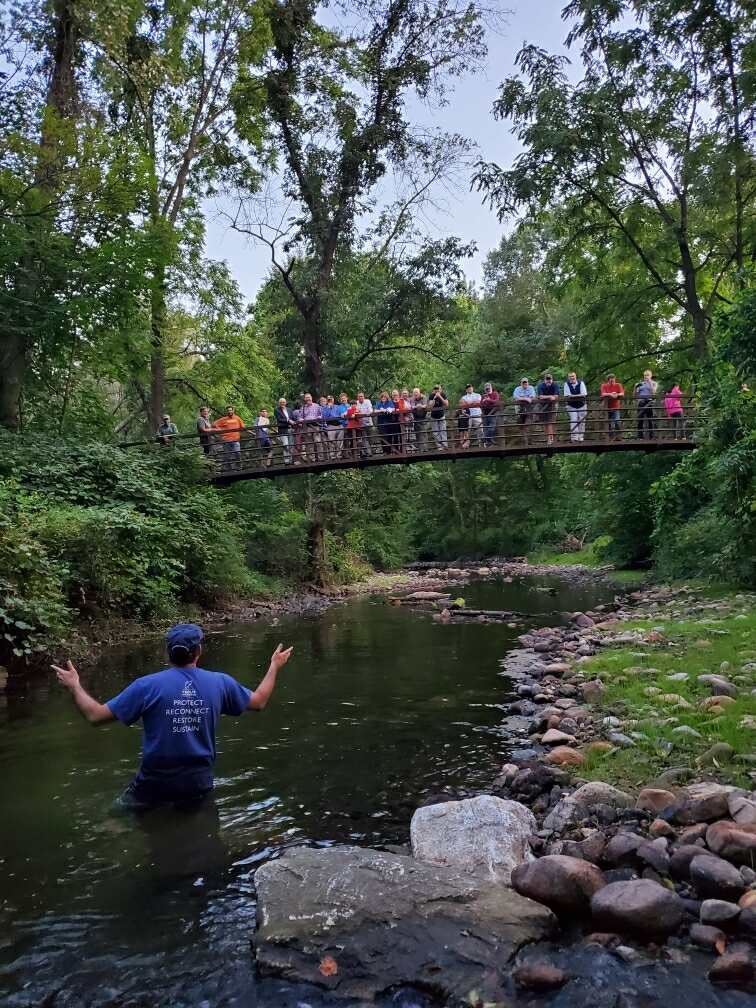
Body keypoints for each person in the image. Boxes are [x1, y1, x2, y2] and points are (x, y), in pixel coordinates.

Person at [52, 624, 293, 811]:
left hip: (154, 784)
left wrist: (75, 686)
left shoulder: (146, 686)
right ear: (198, 651)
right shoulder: (220, 683)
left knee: (117, 816)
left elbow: (95, 716)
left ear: (168, 652)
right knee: (195, 835)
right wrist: (274, 666)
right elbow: (259, 701)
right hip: (198, 783)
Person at [535, 373, 560, 445]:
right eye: (547, 379)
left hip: (552, 405)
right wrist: (550, 397)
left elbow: (556, 396)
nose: (548, 381)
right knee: (545, 423)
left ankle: (551, 439)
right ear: (544, 380)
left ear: (552, 379)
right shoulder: (540, 385)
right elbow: (540, 396)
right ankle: (548, 438)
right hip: (542, 406)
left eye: (550, 379)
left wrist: (551, 397)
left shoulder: (555, 385)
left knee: (550, 422)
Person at [564, 371, 588, 442]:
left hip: (582, 405)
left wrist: (573, 396)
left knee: (582, 421)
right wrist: (578, 395)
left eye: (573, 376)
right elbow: (567, 395)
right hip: (571, 405)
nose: (572, 378)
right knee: (573, 420)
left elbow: (584, 394)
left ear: (575, 376)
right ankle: (574, 437)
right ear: (568, 378)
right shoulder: (566, 384)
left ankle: (581, 436)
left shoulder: (581, 383)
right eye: (570, 377)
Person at [600, 373, 625, 440]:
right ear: (608, 380)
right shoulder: (604, 385)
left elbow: (622, 393)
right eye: (611, 381)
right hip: (607, 407)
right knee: (610, 423)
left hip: (616, 406)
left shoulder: (618, 385)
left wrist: (617, 394)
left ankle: (618, 436)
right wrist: (610, 394)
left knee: (617, 421)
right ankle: (611, 438)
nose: (612, 382)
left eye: (613, 380)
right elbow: (603, 394)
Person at [634, 369, 658, 440]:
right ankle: (640, 437)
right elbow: (635, 395)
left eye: (647, 375)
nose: (646, 377)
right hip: (641, 402)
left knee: (650, 419)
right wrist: (635, 388)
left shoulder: (654, 383)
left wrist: (649, 382)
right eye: (644, 375)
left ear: (650, 376)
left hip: (649, 402)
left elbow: (653, 392)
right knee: (640, 419)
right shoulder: (641, 383)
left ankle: (651, 436)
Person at [301, 393, 323, 461]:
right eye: (306, 397)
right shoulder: (303, 408)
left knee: (318, 442)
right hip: (307, 427)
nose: (308, 399)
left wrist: (319, 417)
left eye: (309, 397)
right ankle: (313, 459)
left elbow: (321, 415)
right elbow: (300, 417)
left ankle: (320, 458)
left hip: (315, 426)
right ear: (305, 399)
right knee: (310, 444)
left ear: (311, 398)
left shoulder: (317, 406)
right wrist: (301, 420)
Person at [512, 378, 536, 443]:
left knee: (527, 424)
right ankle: (525, 440)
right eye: (523, 383)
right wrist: (526, 398)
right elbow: (515, 398)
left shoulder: (531, 388)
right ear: (521, 383)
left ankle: (528, 440)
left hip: (529, 409)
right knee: (521, 424)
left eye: (526, 382)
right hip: (520, 409)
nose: (525, 384)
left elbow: (532, 398)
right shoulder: (517, 389)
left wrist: (522, 398)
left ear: (528, 383)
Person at [327, 393, 349, 459]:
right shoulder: (325, 407)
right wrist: (329, 408)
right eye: (329, 399)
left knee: (340, 441)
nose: (330, 400)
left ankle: (339, 455)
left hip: (340, 424)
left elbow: (341, 414)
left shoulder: (337, 406)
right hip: (331, 425)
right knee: (331, 441)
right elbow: (326, 416)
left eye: (331, 399)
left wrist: (343, 414)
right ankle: (332, 456)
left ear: (333, 400)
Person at [428, 385, 449, 450]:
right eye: (435, 389)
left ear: (441, 389)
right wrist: (434, 397)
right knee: (435, 432)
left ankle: (445, 445)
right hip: (433, 416)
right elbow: (430, 406)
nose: (437, 390)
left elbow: (446, 404)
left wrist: (439, 396)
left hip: (441, 415)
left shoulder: (443, 394)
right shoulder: (431, 395)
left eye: (438, 389)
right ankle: (439, 446)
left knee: (443, 431)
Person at [274, 397, 294, 464]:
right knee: (285, 445)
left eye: (283, 402)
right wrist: (288, 421)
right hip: (283, 430)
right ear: (279, 403)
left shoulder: (289, 410)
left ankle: (291, 460)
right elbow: (279, 419)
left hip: (290, 429)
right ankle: (287, 460)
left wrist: (293, 422)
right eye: (281, 402)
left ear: (286, 403)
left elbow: (293, 418)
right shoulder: (277, 410)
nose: (282, 403)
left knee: (291, 445)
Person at [355, 391, 375, 456]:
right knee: (364, 439)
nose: (360, 397)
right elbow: (354, 410)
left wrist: (367, 413)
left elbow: (370, 410)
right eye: (359, 396)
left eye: (362, 396)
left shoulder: (367, 401)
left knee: (371, 438)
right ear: (357, 397)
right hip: (361, 424)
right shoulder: (356, 403)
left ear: (364, 397)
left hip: (369, 423)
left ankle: (372, 451)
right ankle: (368, 452)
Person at [410, 387, 428, 453]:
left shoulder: (424, 397)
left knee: (423, 433)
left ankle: (425, 449)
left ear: (419, 392)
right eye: (414, 392)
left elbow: (425, 405)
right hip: (416, 418)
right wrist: (418, 406)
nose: (415, 394)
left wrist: (419, 406)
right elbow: (412, 407)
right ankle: (420, 449)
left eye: (416, 392)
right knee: (417, 433)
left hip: (423, 417)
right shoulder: (412, 399)